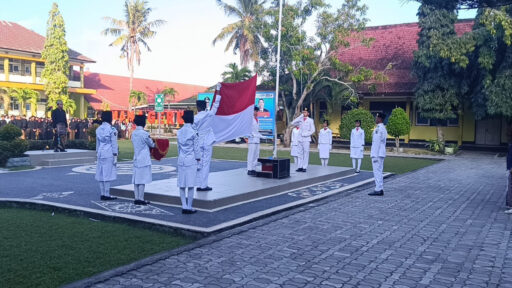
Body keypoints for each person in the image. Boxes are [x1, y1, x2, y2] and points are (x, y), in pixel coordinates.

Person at [194, 83, 222, 191]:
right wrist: (218, 89)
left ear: (197, 107)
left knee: (198, 165)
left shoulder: (195, 118)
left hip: (198, 142)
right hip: (207, 142)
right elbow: (216, 104)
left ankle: (198, 184)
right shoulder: (209, 114)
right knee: (205, 164)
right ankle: (203, 185)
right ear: (205, 106)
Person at [177, 110, 200, 214]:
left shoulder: (179, 132)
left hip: (181, 159)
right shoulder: (193, 132)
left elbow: (178, 148)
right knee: (190, 185)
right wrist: (198, 159)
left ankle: (184, 205)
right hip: (191, 159)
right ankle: (189, 206)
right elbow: (196, 148)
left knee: (182, 184)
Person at [131, 114, 155, 205]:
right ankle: (141, 198)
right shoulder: (145, 134)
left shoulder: (133, 133)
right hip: (144, 158)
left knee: (136, 179)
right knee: (142, 180)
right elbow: (151, 144)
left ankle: (136, 197)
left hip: (136, 157)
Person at [95, 111, 118, 201]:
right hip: (108, 153)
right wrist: (115, 155)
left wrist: (97, 152)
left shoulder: (98, 129)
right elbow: (114, 144)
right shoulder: (112, 129)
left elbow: (97, 143)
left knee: (101, 174)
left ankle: (102, 193)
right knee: (107, 174)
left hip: (100, 152)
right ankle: (107, 194)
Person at [291, 108, 315, 172]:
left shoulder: (310, 120)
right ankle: (300, 167)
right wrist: (300, 117)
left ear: (308, 113)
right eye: (303, 112)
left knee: (306, 153)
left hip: (306, 139)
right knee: (299, 153)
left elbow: (313, 130)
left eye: (305, 112)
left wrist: (306, 134)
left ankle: (304, 167)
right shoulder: (300, 120)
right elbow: (293, 123)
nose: (304, 113)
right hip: (300, 139)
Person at [369, 113, 387, 196]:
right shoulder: (383, 128)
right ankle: (380, 188)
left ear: (380, 119)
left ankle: (378, 189)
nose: (375, 119)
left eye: (376, 117)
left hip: (377, 153)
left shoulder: (378, 129)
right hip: (381, 153)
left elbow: (376, 143)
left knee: (377, 172)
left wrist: (374, 155)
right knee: (379, 171)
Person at [247, 106, 263, 175]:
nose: (256, 112)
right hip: (252, 140)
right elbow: (248, 130)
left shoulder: (257, 120)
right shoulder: (250, 119)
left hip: (257, 140)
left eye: (257, 111)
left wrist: (262, 136)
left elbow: (257, 131)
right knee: (251, 155)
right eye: (255, 111)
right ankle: (249, 169)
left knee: (256, 155)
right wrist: (252, 135)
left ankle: (253, 168)